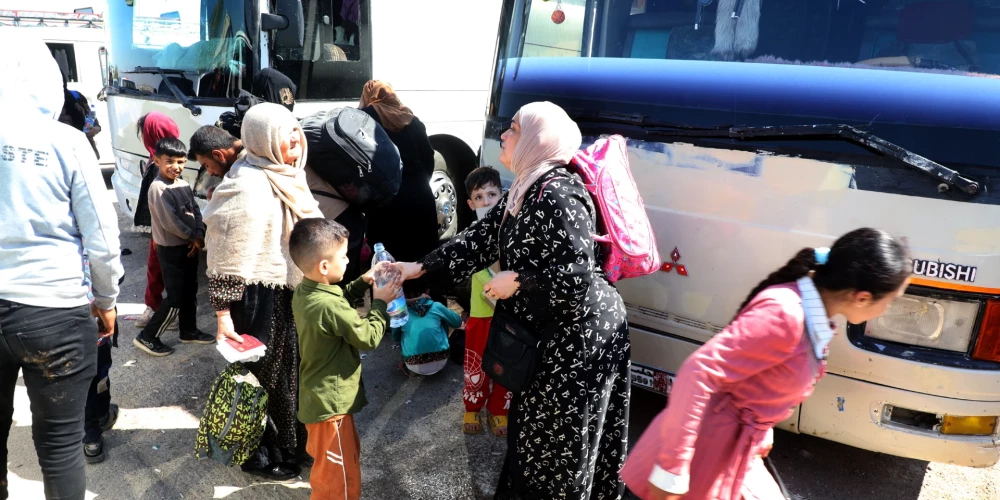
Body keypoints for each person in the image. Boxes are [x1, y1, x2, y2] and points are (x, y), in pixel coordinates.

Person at [396, 102, 631, 499]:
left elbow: (576, 277)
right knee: (532, 440)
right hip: (548, 334)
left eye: (515, 129)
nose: (503, 134)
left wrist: (517, 280)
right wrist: (417, 268)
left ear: (539, 140)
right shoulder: (527, 186)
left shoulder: (558, 192)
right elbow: (480, 239)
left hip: (578, 343)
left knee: (558, 452)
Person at [621, 228, 911, 500]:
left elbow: (765, 378)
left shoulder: (813, 315)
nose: (887, 309)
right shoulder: (786, 314)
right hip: (700, 454)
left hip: (731, 453)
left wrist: (763, 425)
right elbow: (699, 373)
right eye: (890, 301)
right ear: (861, 297)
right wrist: (672, 470)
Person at [0, 35, 124, 500]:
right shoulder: (67, 141)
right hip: (55, 311)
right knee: (59, 448)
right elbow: (102, 235)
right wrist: (107, 300)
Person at [204, 102, 322, 479]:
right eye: (284, 134)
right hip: (256, 297)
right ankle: (256, 454)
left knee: (292, 375)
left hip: (291, 292)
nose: (295, 139)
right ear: (262, 139)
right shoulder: (246, 183)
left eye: (294, 131)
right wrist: (222, 313)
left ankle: (292, 445)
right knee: (262, 379)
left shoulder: (289, 175)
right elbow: (225, 251)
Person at [288, 218, 400, 500]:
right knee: (340, 483)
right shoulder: (328, 305)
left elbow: (339, 301)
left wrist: (362, 282)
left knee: (333, 468)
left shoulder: (307, 290)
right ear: (324, 266)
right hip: (332, 408)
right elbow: (369, 337)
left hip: (319, 399)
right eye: (343, 255)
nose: (349, 260)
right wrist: (380, 302)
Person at [133, 138, 213, 356]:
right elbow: (170, 222)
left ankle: (188, 331)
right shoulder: (158, 188)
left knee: (190, 291)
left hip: (189, 245)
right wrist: (192, 237)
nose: (175, 167)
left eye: (180, 161)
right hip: (171, 249)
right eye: (169, 161)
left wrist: (198, 234)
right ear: (157, 161)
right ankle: (148, 337)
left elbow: (196, 210)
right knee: (176, 296)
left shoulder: (183, 184)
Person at [358, 81, 440, 266]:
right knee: (421, 259)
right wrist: (419, 182)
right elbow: (428, 156)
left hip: (386, 198)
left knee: (388, 263)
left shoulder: (364, 117)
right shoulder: (411, 119)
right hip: (420, 195)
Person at [459, 166, 511, 436]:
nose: (486, 201)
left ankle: (500, 409)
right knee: (476, 365)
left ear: (502, 196)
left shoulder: (512, 231)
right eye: (479, 197)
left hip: (508, 315)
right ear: (470, 203)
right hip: (481, 314)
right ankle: (472, 406)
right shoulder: (472, 235)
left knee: (507, 364)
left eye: (492, 194)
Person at [134, 112, 181, 330]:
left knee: (162, 268)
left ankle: (162, 312)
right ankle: (156, 308)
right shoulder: (163, 159)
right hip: (163, 228)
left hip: (163, 229)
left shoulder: (162, 164)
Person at [394, 279, 461, 377]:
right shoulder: (436, 306)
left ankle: (411, 366)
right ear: (427, 291)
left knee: (404, 331)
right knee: (442, 320)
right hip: (441, 360)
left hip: (413, 363)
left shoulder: (400, 311)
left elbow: (395, 337)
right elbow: (457, 322)